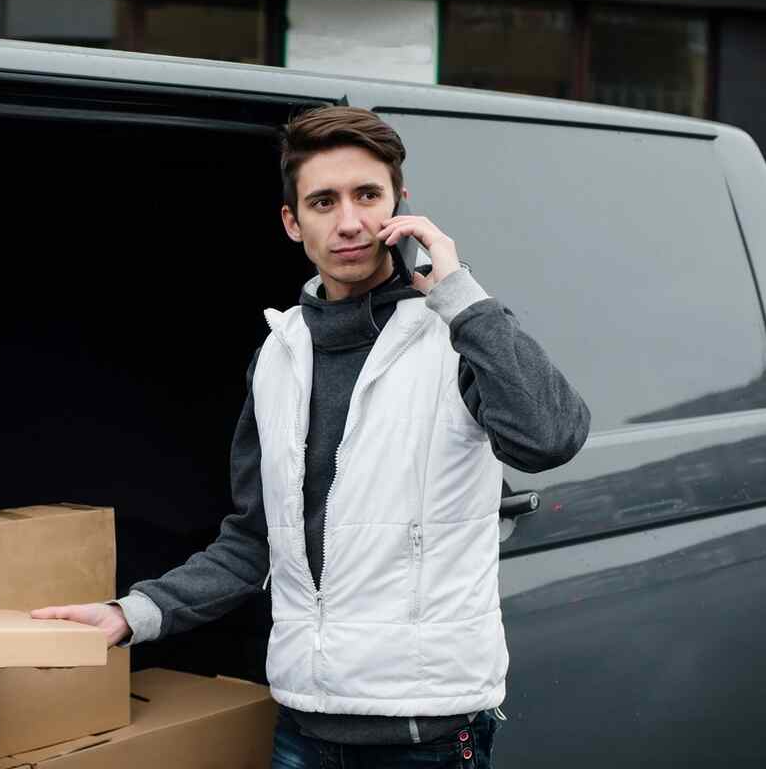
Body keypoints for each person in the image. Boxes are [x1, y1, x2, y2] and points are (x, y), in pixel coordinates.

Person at [32, 105, 591, 768]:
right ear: (293, 222)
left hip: (427, 735)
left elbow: (550, 438)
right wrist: (132, 615)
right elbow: (251, 541)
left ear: (400, 205)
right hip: (303, 726)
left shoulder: (458, 335)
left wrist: (462, 296)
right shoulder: (278, 355)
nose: (349, 221)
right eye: (324, 201)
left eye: (367, 196)